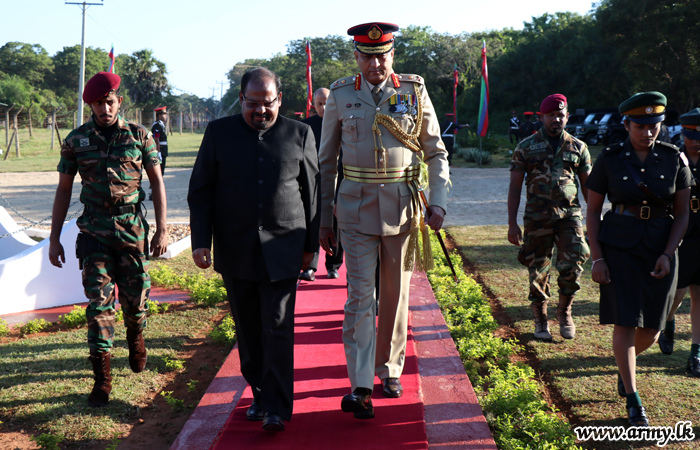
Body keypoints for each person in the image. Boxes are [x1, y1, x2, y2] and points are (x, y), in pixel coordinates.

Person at [318, 22, 449, 419]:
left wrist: (438, 202)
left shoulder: (413, 90)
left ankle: (390, 369)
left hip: (403, 208)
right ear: (356, 57)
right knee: (360, 296)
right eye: (366, 56)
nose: (375, 63)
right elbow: (326, 163)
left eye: (382, 55)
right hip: (355, 208)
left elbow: (435, 151)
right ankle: (360, 384)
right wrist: (325, 218)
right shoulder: (342, 94)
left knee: (395, 293)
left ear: (392, 55)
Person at [188, 67, 320, 432]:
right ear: (241, 99)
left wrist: (311, 247)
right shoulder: (219, 133)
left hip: (284, 247)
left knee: (277, 325)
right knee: (247, 329)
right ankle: (260, 392)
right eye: (252, 103)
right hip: (235, 248)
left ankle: (277, 407)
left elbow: (312, 196)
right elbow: (201, 192)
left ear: (280, 100)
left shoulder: (300, 133)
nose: (260, 110)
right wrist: (201, 241)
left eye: (268, 103)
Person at [48, 72, 169, 408]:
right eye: (98, 103)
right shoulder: (76, 140)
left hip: (132, 229)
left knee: (134, 303)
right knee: (99, 307)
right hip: (94, 231)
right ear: (90, 105)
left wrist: (162, 229)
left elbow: (157, 183)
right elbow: (63, 189)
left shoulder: (141, 136)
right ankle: (102, 380)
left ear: (120, 102)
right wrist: (54, 239)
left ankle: (136, 334)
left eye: (110, 102)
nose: (105, 109)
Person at [586, 92, 692, 426]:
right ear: (627, 124)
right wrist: (597, 258)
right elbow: (591, 212)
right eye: (641, 126)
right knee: (626, 320)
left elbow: (682, 213)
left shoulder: (674, 158)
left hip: (660, 245)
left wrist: (668, 252)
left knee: (653, 330)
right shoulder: (610, 158)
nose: (648, 132)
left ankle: (624, 364)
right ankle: (633, 399)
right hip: (619, 244)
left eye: (654, 125)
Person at [507, 94, 591, 341]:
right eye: (552, 115)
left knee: (573, 263)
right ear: (542, 117)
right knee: (538, 270)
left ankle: (565, 311)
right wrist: (512, 223)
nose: (557, 119)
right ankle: (540, 318)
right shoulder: (525, 147)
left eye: (561, 115)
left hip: (570, 216)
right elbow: (514, 188)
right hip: (537, 218)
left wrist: (596, 220)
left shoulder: (579, 147)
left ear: (567, 116)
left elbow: (588, 188)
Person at [657, 107, 700, 377]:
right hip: (680, 231)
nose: (696, 140)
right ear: (682, 133)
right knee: (679, 292)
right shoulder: (672, 157)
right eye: (691, 134)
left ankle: (696, 352)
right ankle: (669, 318)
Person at [299, 88, 344, 280]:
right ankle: (310, 266)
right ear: (314, 104)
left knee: (336, 221)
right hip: (312, 181)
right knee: (312, 221)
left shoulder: (344, 122)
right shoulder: (304, 127)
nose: (324, 107)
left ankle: (333, 265)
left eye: (327, 103)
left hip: (338, 179)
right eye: (320, 104)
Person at [152, 106, 169, 174]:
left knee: (161, 173)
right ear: (159, 115)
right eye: (164, 114)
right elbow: (156, 140)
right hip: (160, 150)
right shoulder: (157, 125)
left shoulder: (161, 125)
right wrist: (158, 153)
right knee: (160, 173)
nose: (166, 116)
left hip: (162, 150)